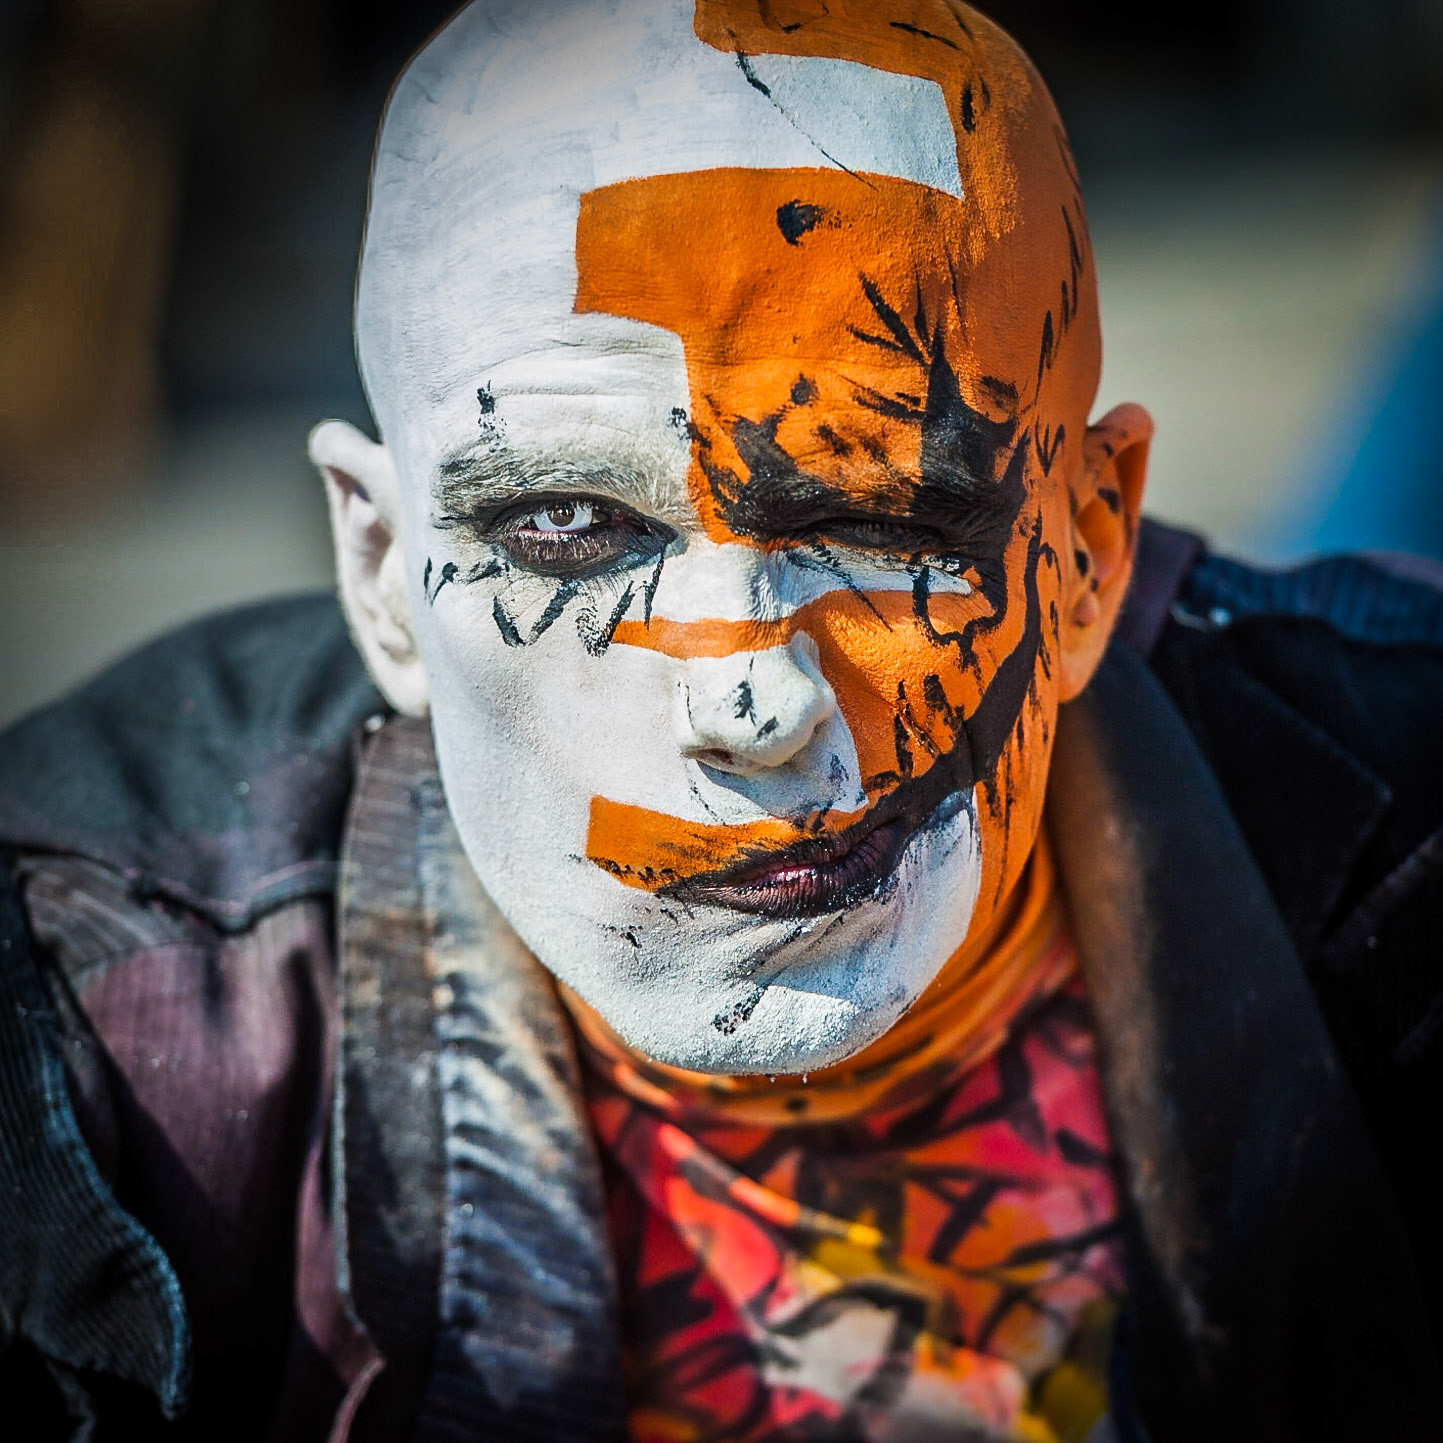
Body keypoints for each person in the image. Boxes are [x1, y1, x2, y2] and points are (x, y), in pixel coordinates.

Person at [2, 3, 1440, 1440]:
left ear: (1083, 556)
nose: (748, 700)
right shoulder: (87, 1007)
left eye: (880, 517)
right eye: (569, 524)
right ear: (380, 572)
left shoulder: (1409, 815)